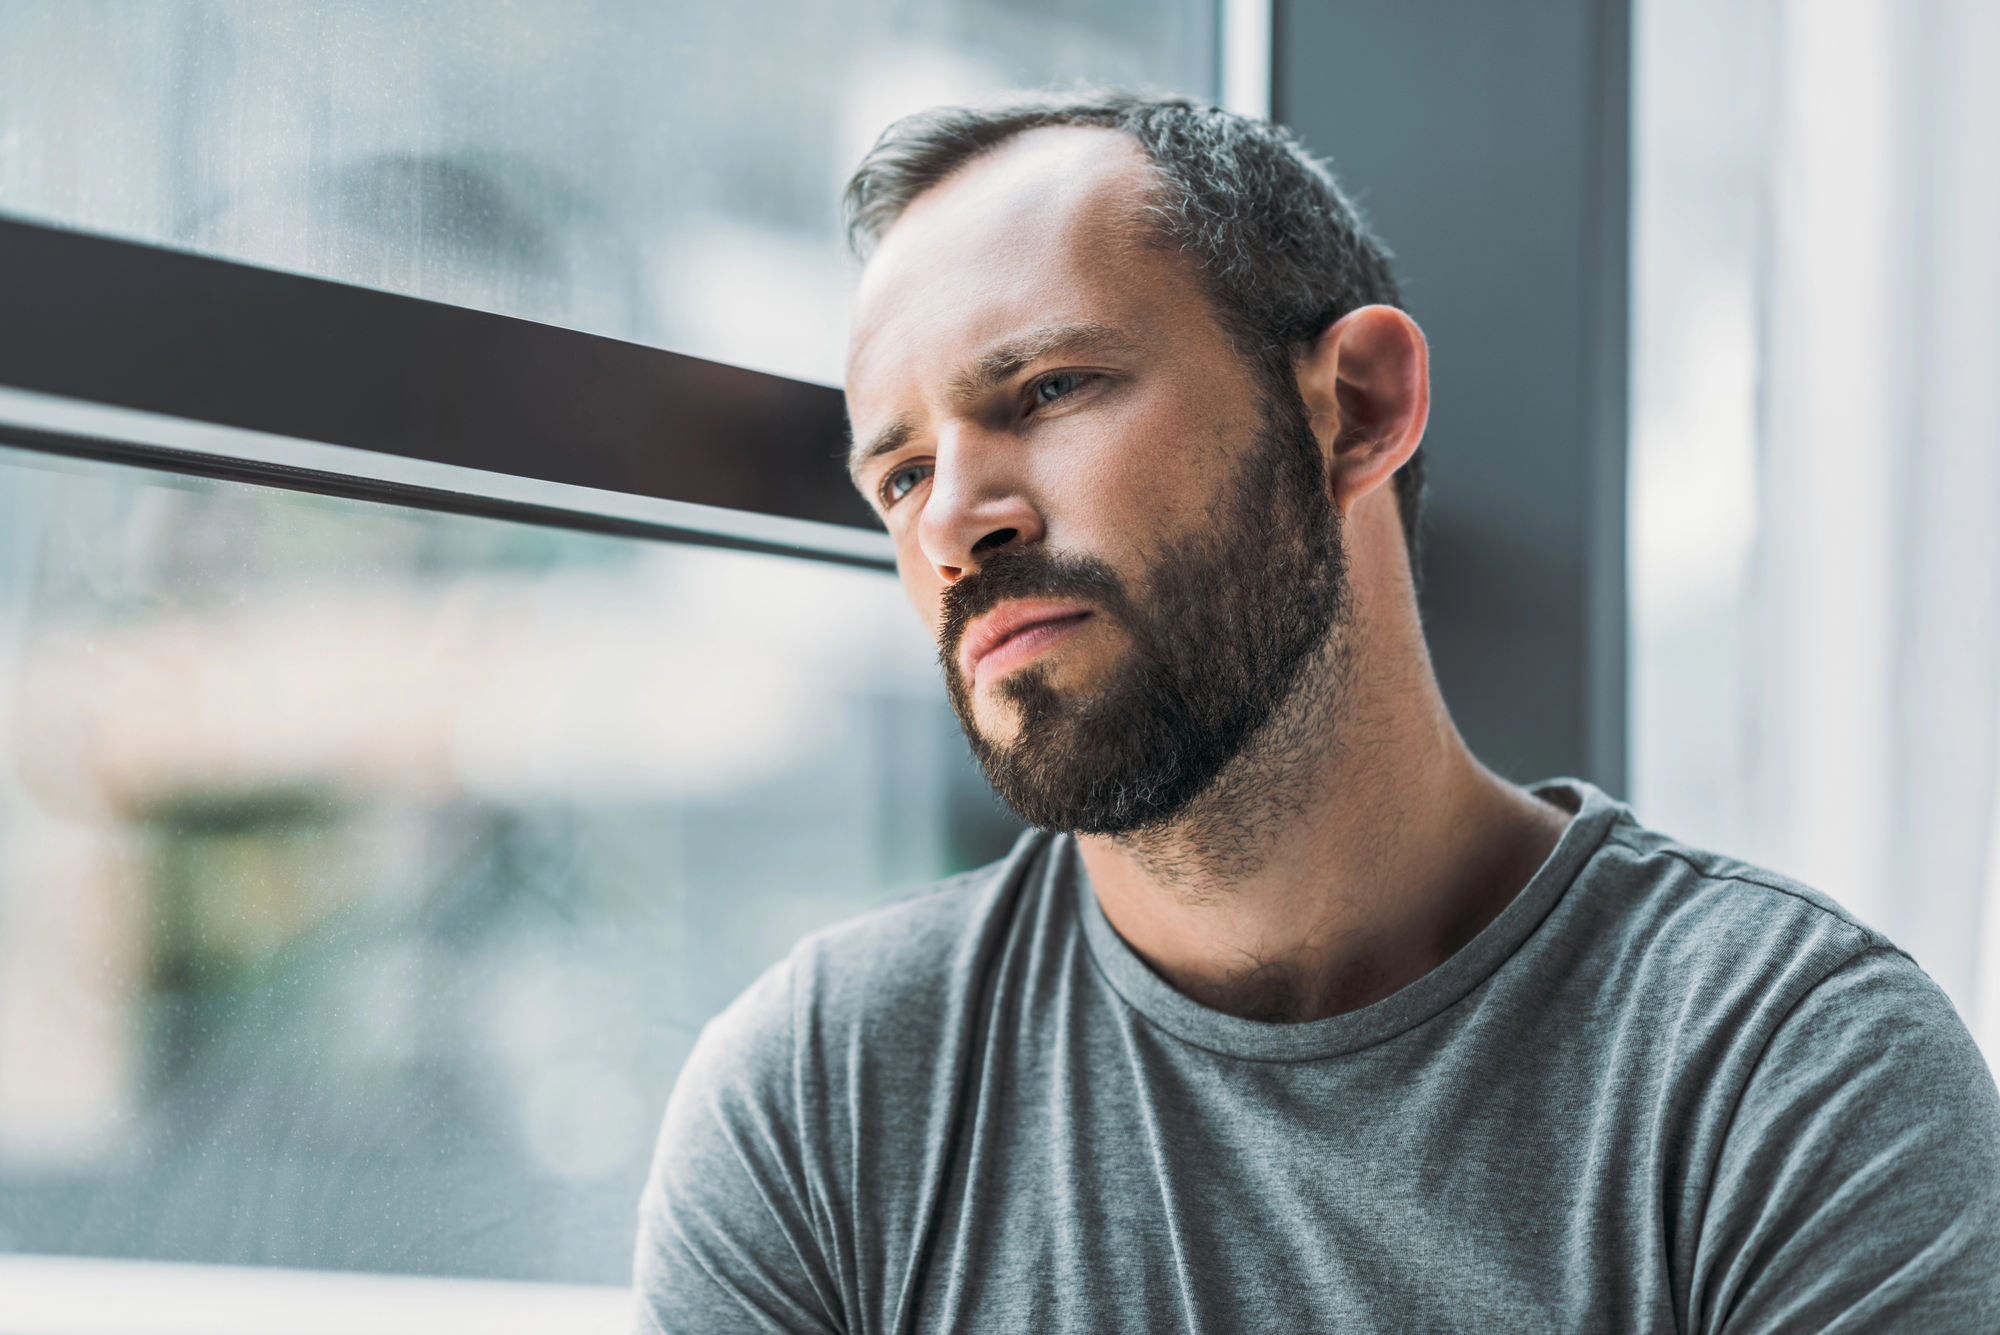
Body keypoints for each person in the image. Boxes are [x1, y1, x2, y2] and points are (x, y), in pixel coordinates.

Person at [633, 94, 2000, 1332]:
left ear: (1357, 406)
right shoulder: (822, 1098)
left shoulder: (1793, 1073)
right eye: (900, 476)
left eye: (1047, 391)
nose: (953, 525)